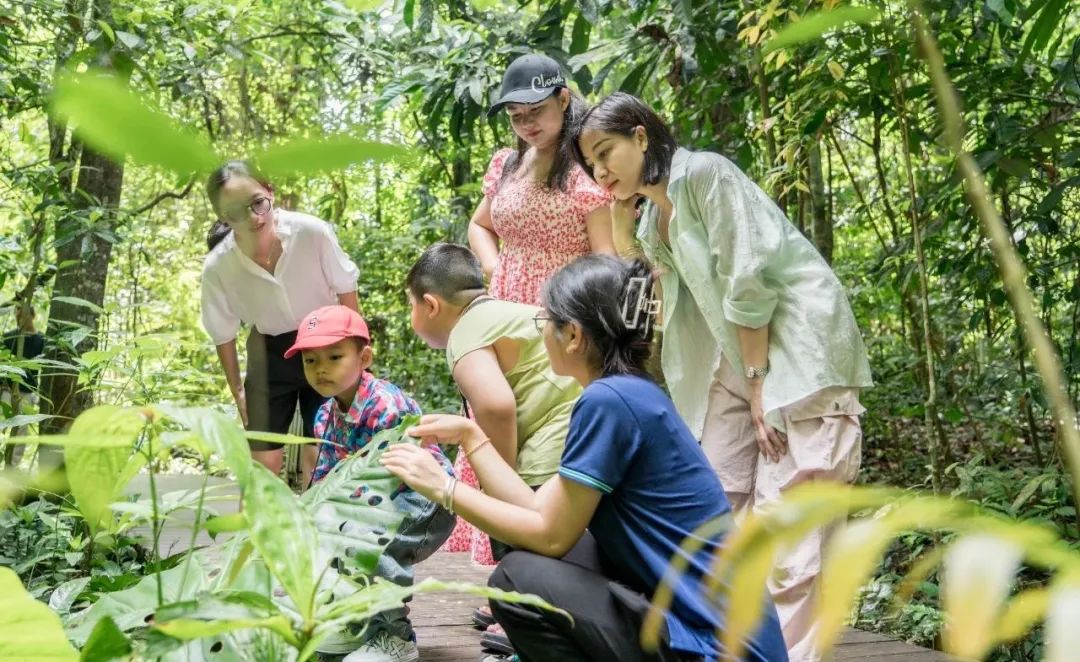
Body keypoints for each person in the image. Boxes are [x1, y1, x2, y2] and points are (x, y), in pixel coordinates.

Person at [569, 93, 873, 662]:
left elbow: (747, 279)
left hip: (798, 362)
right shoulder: (655, 216)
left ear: (641, 136)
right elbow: (644, 300)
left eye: (605, 153)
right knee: (717, 520)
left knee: (793, 540)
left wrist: (759, 384)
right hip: (727, 372)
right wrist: (622, 221)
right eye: (590, 164)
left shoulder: (705, 174)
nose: (600, 172)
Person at [383, 255, 789, 662]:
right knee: (545, 556)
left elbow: (549, 535)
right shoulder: (628, 392)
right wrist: (472, 437)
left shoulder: (607, 402)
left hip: (714, 646)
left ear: (573, 335)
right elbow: (537, 509)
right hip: (722, 635)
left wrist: (444, 487)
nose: (542, 331)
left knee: (516, 579)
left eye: (546, 322)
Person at [453, 53, 615, 576]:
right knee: (497, 426)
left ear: (564, 100)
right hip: (505, 315)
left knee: (546, 445)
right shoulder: (507, 163)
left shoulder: (588, 169)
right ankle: (504, 576)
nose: (526, 124)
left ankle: (543, 578)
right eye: (515, 115)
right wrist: (495, 268)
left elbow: (606, 260)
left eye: (536, 111)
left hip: (561, 322)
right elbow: (480, 225)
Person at [285, 304, 455, 662]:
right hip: (369, 501)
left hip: (421, 498)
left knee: (371, 543)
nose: (321, 369)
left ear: (364, 358)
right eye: (310, 361)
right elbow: (328, 476)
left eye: (334, 357)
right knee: (321, 528)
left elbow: (398, 475)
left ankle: (396, 636)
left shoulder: (386, 406)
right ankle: (353, 623)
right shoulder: (325, 413)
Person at [200, 160, 360, 481]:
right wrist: (238, 391)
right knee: (262, 463)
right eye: (236, 212)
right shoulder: (218, 266)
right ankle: (259, 516)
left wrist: (356, 357)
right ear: (222, 217)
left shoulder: (311, 232)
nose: (253, 218)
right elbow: (222, 332)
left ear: (270, 192)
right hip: (268, 352)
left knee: (323, 452)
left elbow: (346, 289)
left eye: (258, 203)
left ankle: (317, 513)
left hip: (327, 342)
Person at [1, 301, 46, 459]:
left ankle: (12, 466)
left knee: (21, 431)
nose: (19, 318)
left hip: (27, 392)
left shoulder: (41, 340)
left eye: (23, 315)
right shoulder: (9, 337)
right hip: (7, 391)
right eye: (17, 315)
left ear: (33, 316)